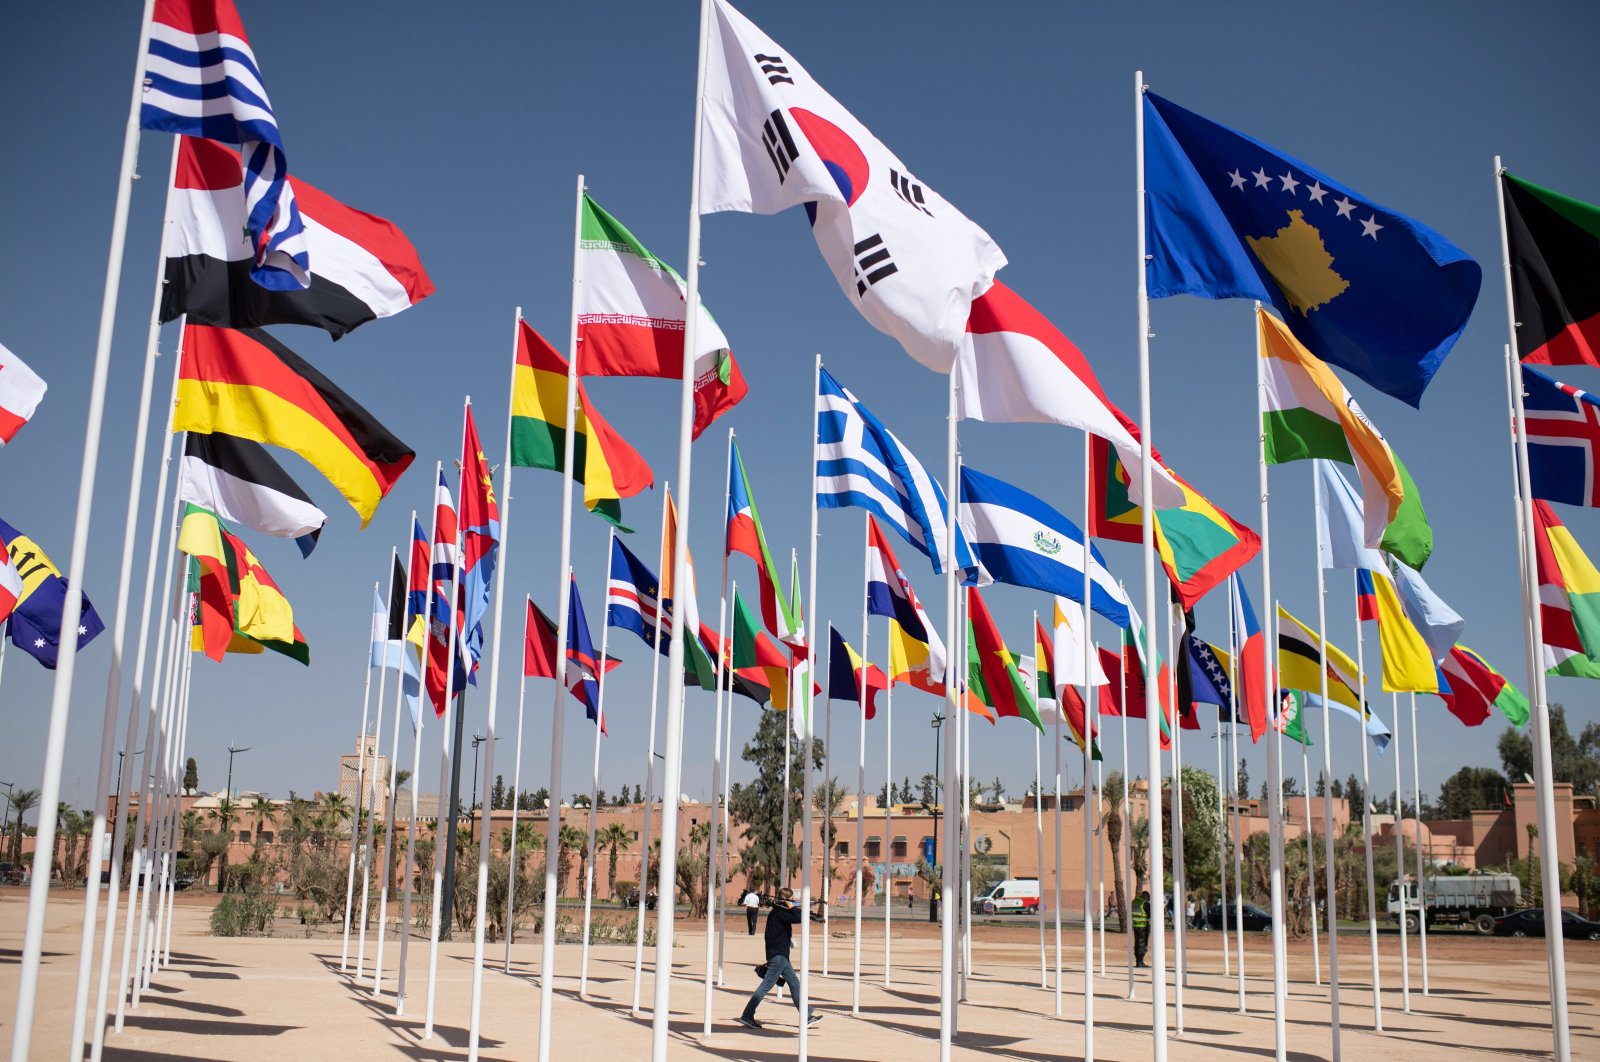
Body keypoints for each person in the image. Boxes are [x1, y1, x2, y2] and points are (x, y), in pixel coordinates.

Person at [738, 887, 823, 1031]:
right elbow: (797, 917)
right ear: (786, 900)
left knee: (795, 984)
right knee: (766, 986)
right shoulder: (781, 913)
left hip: (780, 954)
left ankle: (807, 1016)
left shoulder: (777, 912)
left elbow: (796, 914)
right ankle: (747, 1015)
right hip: (779, 956)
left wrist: (806, 912)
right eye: (791, 899)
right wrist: (792, 907)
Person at [1132, 889, 1150, 968]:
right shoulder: (1145, 903)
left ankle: (1138, 961)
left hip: (1135, 925)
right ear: (1146, 897)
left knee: (1137, 943)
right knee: (1142, 943)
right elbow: (1149, 915)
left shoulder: (1134, 902)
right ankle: (1140, 962)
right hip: (1143, 926)